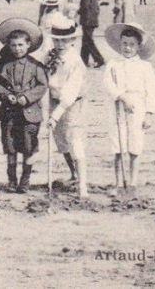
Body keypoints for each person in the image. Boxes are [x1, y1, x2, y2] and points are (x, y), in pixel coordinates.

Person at [0, 18, 48, 194]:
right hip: (9, 112)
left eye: (21, 45)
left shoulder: (36, 65)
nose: (17, 49)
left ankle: (25, 181)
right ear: (9, 46)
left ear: (28, 45)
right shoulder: (4, 65)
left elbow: (42, 86)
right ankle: (11, 180)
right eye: (14, 45)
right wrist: (6, 95)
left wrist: (27, 97)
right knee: (10, 146)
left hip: (29, 113)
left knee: (28, 146)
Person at [103, 23, 155, 192]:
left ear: (138, 46)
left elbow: (152, 90)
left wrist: (149, 113)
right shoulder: (113, 64)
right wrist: (120, 96)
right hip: (118, 105)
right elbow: (106, 83)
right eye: (124, 44)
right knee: (118, 145)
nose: (127, 48)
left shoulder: (145, 67)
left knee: (135, 144)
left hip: (137, 106)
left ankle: (133, 182)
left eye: (132, 44)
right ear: (120, 44)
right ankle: (119, 182)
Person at [44, 14, 89, 198]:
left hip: (73, 104)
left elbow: (71, 91)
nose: (60, 44)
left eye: (64, 41)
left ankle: (83, 185)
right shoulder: (49, 56)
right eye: (56, 40)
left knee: (74, 140)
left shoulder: (75, 61)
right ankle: (73, 173)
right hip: (54, 100)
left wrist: (56, 114)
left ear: (72, 40)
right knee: (61, 140)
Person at [78, 0, 106, 68]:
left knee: (89, 42)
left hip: (87, 21)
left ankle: (99, 59)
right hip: (92, 20)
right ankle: (83, 60)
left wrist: (78, 11)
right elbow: (96, 9)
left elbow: (85, 8)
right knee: (85, 41)